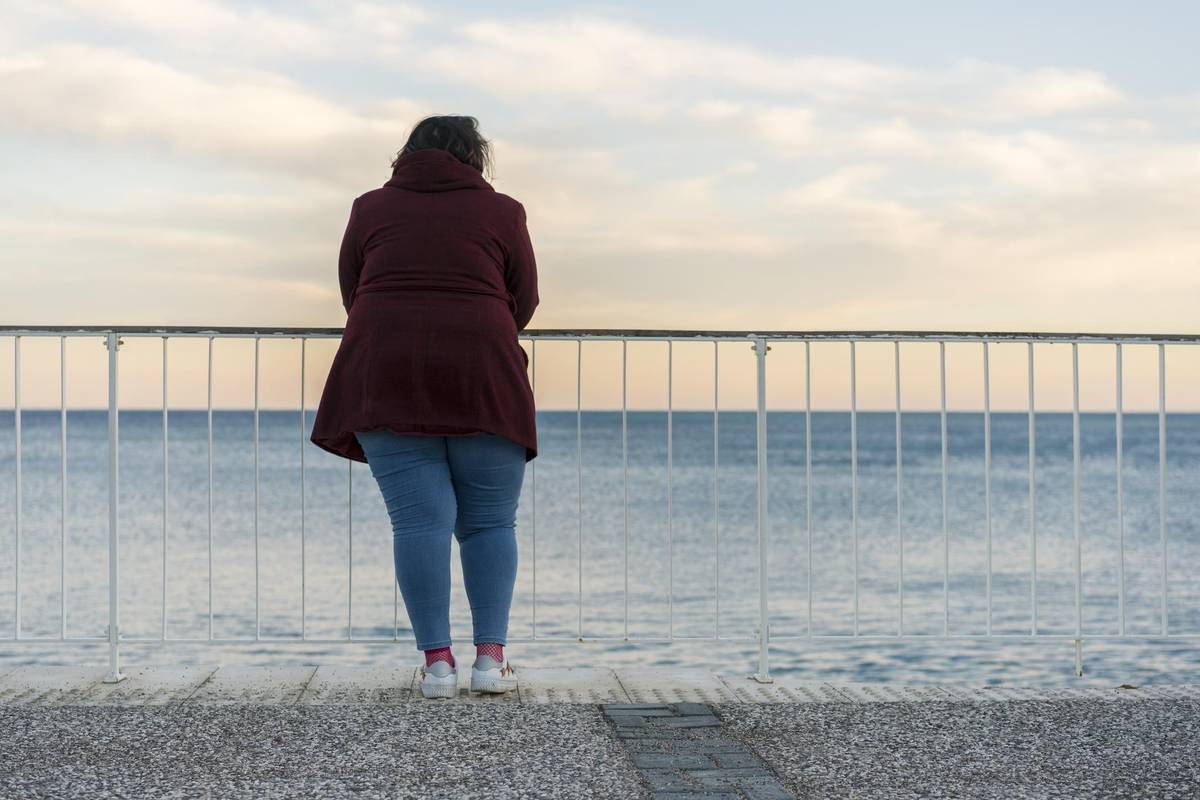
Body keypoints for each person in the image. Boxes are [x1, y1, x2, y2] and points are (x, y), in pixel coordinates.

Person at [309, 115, 539, 698]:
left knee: (418, 523)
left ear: (406, 155)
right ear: (475, 159)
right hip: (483, 370)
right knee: (489, 523)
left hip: (385, 368)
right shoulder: (504, 210)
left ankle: (438, 665)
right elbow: (525, 297)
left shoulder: (369, 207)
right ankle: (491, 662)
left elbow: (351, 288)